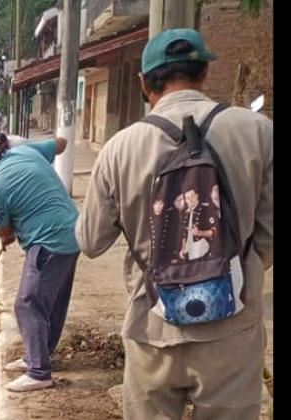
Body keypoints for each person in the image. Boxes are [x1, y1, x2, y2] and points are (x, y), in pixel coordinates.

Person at [77, 28, 272, 419]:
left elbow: (91, 241)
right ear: (203, 73)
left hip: (152, 325)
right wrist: (236, 269)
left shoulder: (120, 147)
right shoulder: (258, 131)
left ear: (143, 83)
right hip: (232, 329)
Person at [0, 137, 79, 392]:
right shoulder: (24, 152)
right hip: (73, 232)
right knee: (50, 303)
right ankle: (37, 356)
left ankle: (39, 372)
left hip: (48, 241)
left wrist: (6, 235)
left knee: (27, 304)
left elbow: (5, 233)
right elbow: (61, 143)